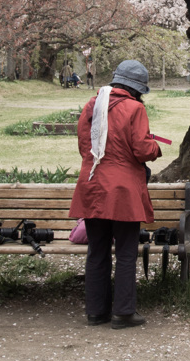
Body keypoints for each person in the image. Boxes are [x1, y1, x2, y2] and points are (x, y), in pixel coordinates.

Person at [69, 60, 161, 329]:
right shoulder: (135, 108)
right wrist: (156, 148)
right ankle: (123, 312)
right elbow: (142, 150)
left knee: (96, 250)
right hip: (123, 190)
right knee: (125, 251)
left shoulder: (91, 105)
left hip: (92, 185)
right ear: (137, 88)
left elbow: (84, 145)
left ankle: (96, 312)